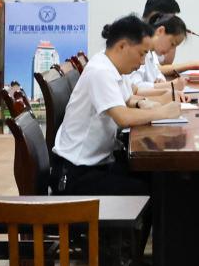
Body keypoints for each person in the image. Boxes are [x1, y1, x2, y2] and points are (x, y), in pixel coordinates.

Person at [50, 15, 182, 196]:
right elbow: (123, 117)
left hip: (99, 162)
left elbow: (128, 99)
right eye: (142, 53)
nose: (142, 62)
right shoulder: (100, 71)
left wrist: (144, 102)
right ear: (122, 46)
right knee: (148, 189)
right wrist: (163, 112)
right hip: (76, 173)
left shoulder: (114, 67)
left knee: (156, 178)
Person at [130, 14, 199, 98]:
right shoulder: (140, 51)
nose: (171, 50)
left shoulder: (152, 53)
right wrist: (170, 85)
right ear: (160, 31)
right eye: (172, 44)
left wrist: (162, 83)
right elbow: (135, 87)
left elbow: (159, 76)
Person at [143, 0, 182, 65]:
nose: (171, 24)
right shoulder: (136, 38)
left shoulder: (154, 38)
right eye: (169, 20)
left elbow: (167, 62)